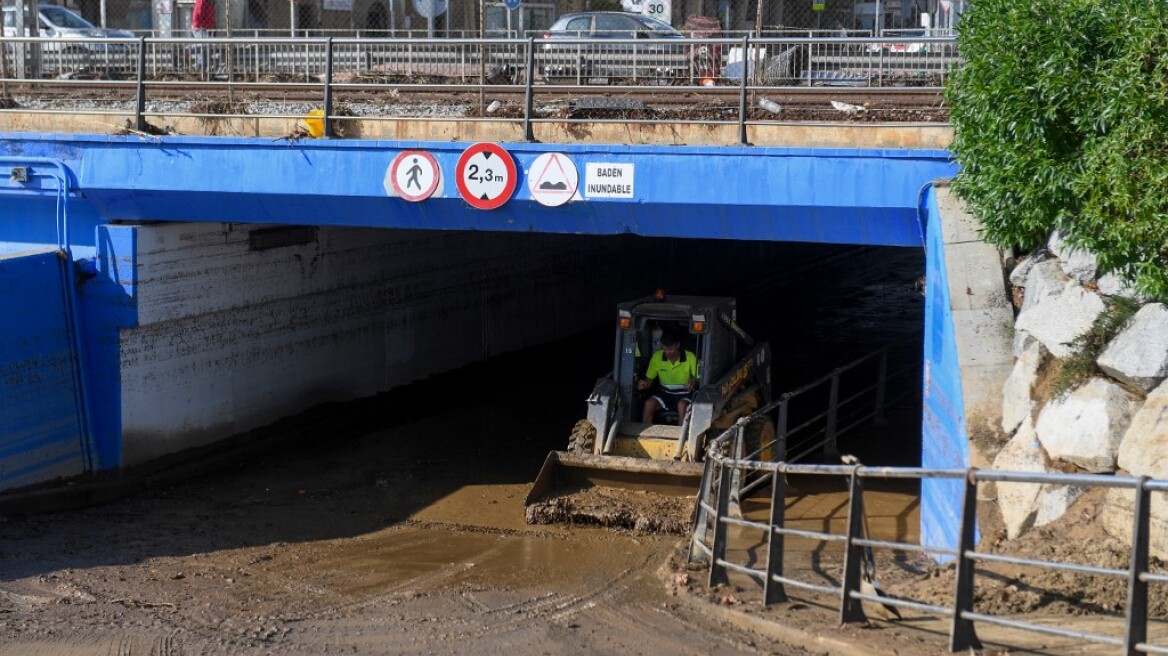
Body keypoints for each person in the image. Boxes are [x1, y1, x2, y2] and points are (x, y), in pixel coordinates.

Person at [636, 332, 698, 425]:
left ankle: (680, 436)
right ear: (662, 347)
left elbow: (697, 377)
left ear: (678, 345)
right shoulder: (657, 357)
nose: (669, 352)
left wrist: (693, 383)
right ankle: (645, 433)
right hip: (665, 394)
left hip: (685, 394)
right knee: (649, 404)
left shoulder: (690, 357)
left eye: (671, 349)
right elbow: (649, 380)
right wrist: (644, 384)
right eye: (666, 349)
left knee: (682, 406)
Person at [191, 0, 216, 71]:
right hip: (201, 28)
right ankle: (188, 49)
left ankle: (202, 69)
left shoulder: (209, 2)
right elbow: (198, 14)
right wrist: (197, 26)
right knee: (203, 46)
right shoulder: (202, 1)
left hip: (206, 28)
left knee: (204, 49)